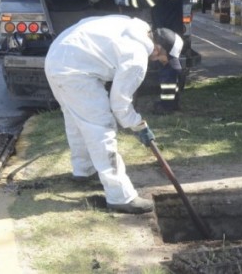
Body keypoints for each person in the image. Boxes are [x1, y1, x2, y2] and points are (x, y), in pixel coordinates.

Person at [44, 15, 184, 214]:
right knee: (102, 128)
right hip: (75, 72)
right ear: (158, 48)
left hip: (57, 58)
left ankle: (84, 170)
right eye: (165, 59)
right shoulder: (136, 57)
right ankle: (120, 197)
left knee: (76, 119)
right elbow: (119, 105)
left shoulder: (132, 27)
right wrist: (138, 125)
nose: (161, 62)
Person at [115, 0, 184, 113]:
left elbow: (148, 0)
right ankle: (173, 102)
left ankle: (166, 106)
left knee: (166, 69)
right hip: (168, 29)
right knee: (170, 69)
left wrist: (125, 0)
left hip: (168, 33)